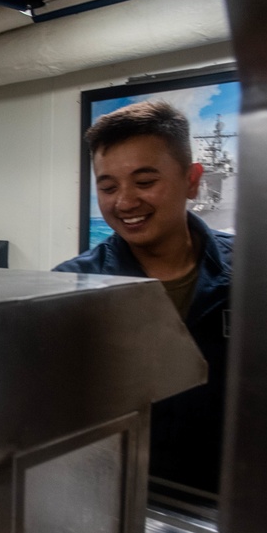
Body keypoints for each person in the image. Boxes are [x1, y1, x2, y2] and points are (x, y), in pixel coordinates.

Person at [54, 100, 233, 494]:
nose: (125, 202)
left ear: (192, 179)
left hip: (232, 512)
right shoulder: (71, 286)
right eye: (108, 186)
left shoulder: (261, 277)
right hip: (115, 499)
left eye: (145, 181)